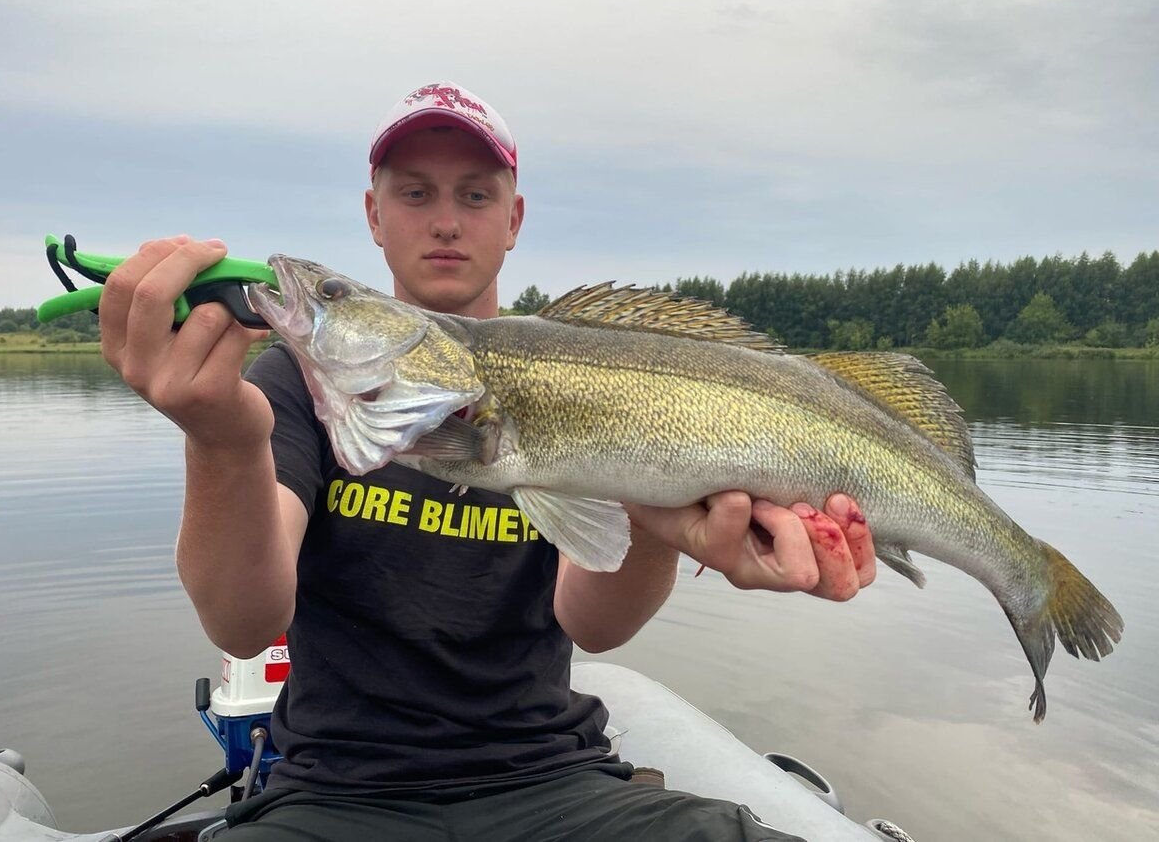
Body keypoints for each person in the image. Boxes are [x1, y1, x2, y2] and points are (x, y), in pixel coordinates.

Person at [99, 81, 877, 841]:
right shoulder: (296, 385)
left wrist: (650, 520)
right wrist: (222, 442)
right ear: (373, 214)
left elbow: (593, 626)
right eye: (415, 194)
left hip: (554, 780)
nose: (445, 221)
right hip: (337, 791)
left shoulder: (584, 370)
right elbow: (243, 625)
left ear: (514, 220)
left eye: (475, 196)